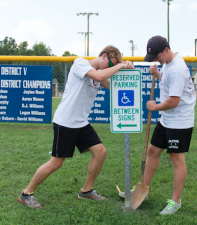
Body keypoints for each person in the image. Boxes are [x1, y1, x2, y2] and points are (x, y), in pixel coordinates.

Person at [19, 45, 134, 208]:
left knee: (100, 152)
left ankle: (86, 191)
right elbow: (99, 76)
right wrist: (119, 66)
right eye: (110, 63)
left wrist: (127, 70)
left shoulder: (100, 75)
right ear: (103, 56)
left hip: (81, 123)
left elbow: (115, 87)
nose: (110, 67)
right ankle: (26, 193)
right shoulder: (81, 63)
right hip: (65, 122)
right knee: (56, 163)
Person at [143, 35, 196, 215]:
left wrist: (154, 107)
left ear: (166, 49)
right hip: (167, 119)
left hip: (180, 121)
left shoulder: (177, 69)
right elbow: (167, 83)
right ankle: (144, 190)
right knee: (153, 151)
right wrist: (157, 74)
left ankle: (175, 201)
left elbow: (173, 101)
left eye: (157, 57)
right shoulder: (167, 64)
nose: (157, 60)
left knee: (176, 159)